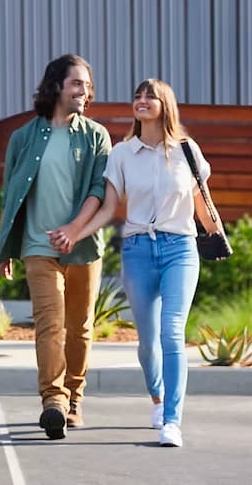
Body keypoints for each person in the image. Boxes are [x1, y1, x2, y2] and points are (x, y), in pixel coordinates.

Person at [49, 78, 207, 447]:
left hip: (180, 248)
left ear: (165, 104)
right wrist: (77, 232)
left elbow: (202, 203)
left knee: (172, 332)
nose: (141, 100)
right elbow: (108, 208)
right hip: (137, 249)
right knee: (148, 340)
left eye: (150, 96)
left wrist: (219, 237)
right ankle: (156, 395)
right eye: (137, 95)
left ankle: (172, 419)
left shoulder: (187, 150)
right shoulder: (122, 153)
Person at [0, 54, 111, 440]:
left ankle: (75, 398)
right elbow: (11, 195)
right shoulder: (24, 137)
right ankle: (53, 402)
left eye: (88, 85)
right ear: (57, 85)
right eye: (77, 83)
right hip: (37, 245)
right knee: (50, 325)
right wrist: (5, 247)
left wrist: (74, 230)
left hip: (82, 246)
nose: (84, 91)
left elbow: (99, 189)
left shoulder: (95, 136)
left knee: (80, 328)